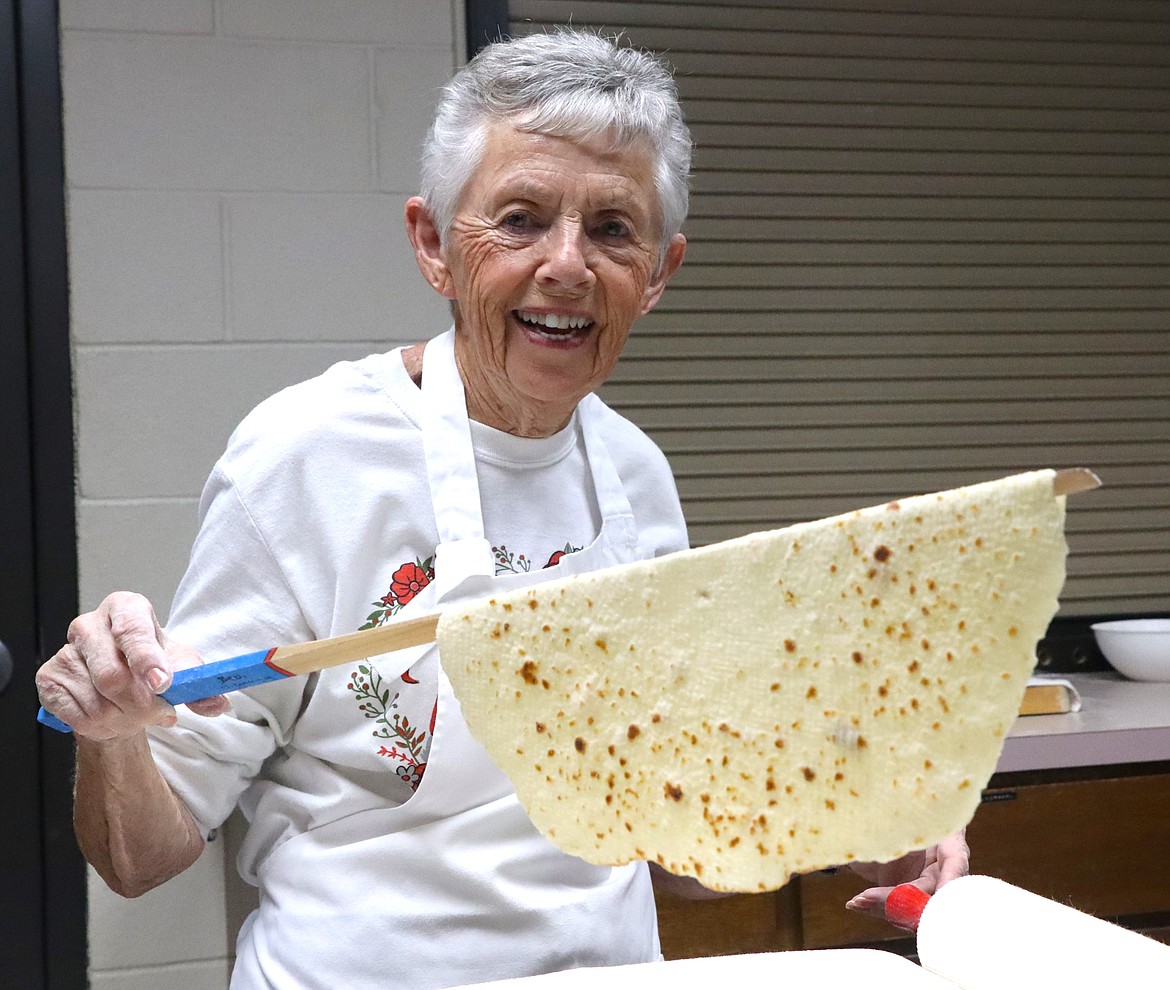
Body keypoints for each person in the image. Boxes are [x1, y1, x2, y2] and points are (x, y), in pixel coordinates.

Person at [37, 29, 968, 990]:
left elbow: (677, 853)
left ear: (659, 273)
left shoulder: (637, 478)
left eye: (612, 229)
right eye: (520, 220)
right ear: (434, 245)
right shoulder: (308, 456)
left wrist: (842, 818)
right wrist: (112, 735)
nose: (567, 265)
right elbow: (139, 856)